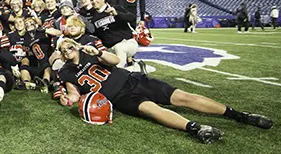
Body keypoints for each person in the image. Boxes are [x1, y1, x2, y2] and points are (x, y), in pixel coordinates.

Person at [56, 38, 273, 144]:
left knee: (182, 97)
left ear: (75, 45)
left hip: (133, 80)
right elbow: (74, 93)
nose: (67, 50)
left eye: (69, 46)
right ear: (61, 54)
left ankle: (239, 115)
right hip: (119, 97)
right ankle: (196, 128)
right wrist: (68, 99)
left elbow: (115, 61)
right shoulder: (66, 72)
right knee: (151, 110)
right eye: (63, 49)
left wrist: (99, 53)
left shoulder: (90, 51)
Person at [86, 0, 144, 72]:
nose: (94, 1)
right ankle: (135, 68)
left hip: (127, 43)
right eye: (91, 0)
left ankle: (120, 73)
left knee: (119, 49)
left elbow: (132, 18)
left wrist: (117, 14)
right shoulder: (93, 17)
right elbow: (96, 34)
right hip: (110, 48)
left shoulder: (116, 8)